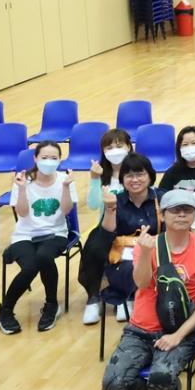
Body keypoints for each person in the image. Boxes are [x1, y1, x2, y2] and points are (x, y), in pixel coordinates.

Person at [101, 189, 195, 390]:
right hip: (140, 330)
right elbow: (142, 283)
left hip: (179, 331)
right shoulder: (149, 245)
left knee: (161, 375)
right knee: (113, 384)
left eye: (187, 210)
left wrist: (178, 335)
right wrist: (144, 253)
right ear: (163, 215)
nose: (181, 214)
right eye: (175, 210)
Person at [0, 140, 74, 335]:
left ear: (60, 160)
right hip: (25, 235)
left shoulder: (65, 179)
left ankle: (51, 305)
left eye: (54, 158)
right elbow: (21, 213)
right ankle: (5, 311)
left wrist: (65, 187)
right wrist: (21, 189)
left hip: (56, 233)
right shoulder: (23, 180)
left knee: (44, 256)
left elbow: (66, 211)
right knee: (30, 266)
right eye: (44, 157)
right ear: (35, 158)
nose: (49, 161)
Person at [88, 153, 160, 324]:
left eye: (140, 174)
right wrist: (110, 208)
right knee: (127, 267)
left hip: (155, 252)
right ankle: (129, 297)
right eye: (129, 175)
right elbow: (106, 233)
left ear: (150, 176)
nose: (134, 180)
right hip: (123, 256)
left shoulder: (161, 198)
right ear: (122, 179)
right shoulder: (116, 200)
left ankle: (138, 301)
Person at [78, 128, 134, 324]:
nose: (114, 151)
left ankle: (126, 296)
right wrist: (94, 180)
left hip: (131, 227)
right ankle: (94, 297)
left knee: (126, 254)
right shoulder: (102, 174)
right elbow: (94, 205)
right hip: (106, 227)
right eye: (109, 148)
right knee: (93, 249)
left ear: (129, 147)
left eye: (119, 146)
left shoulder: (136, 172)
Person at [159, 126, 195, 194]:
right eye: (185, 144)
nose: (190, 147)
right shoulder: (173, 171)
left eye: (194, 143)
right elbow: (161, 194)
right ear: (179, 149)